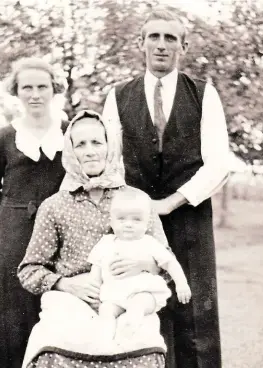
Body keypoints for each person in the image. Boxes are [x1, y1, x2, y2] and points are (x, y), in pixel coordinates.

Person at [102, 8, 230, 368]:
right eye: (154, 37)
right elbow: (111, 159)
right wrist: (137, 207)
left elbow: (219, 162)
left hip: (189, 218)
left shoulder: (204, 95)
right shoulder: (118, 96)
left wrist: (172, 203)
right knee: (135, 304)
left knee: (193, 317)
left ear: (183, 47)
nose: (161, 45)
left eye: (170, 38)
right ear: (139, 44)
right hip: (132, 223)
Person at [18, 110, 169, 368]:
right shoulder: (54, 206)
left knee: (141, 345)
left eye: (97, 143)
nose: (89, 151)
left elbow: (164, 262)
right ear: (71, 151)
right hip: (70, 302)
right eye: (81, 144)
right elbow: (29, 271)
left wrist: (143, 266)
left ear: (111, 147)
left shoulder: (137, 201)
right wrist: (66, 284)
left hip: (128, 299)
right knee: (55, 346)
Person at [0, 57, 66, 368]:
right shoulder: (4, 137)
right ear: (17, 91)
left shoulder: (69, 131)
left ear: (54, 90)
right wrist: (12, 210)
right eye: (27, 87)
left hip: (61, 231)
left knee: (56, 302)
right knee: (7, 307)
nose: (35, 94)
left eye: (42, 86)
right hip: (12, 234)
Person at [88, 186, 191, 341]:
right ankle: (106, 339)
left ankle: (130, 325)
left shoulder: (149, 243)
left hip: (143, 292)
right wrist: (94, 289)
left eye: (136, 219)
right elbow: (96, 268)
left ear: (146, 223)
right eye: (121, 219)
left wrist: (181, 283)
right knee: (106, 310)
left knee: (139, 304)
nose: (128, 224)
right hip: (114, 294)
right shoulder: (105, 243)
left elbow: (170, 263)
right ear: (112, 221)